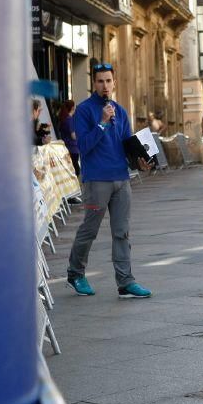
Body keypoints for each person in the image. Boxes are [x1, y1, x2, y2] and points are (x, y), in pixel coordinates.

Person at [66, 62, 153, 299]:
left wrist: (140, 161)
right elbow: (83, 146)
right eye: (100, 81)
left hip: (121, 179)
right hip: (97, 180)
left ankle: (125, 282)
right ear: (94, 84)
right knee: (89, 230)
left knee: (122, 232)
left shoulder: (121, 111)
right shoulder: (84, 111)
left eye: (108, 81)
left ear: (114, 82)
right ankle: (75, 273)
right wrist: (102, 122)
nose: (105, 85)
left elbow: (127, 146)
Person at [57, 99, 81, 177]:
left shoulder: (64, 118)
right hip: (73, 148)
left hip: (66, 147)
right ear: (72, 108)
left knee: (70, 169)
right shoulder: (69, 119)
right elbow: (73, 136)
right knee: (75, 169)